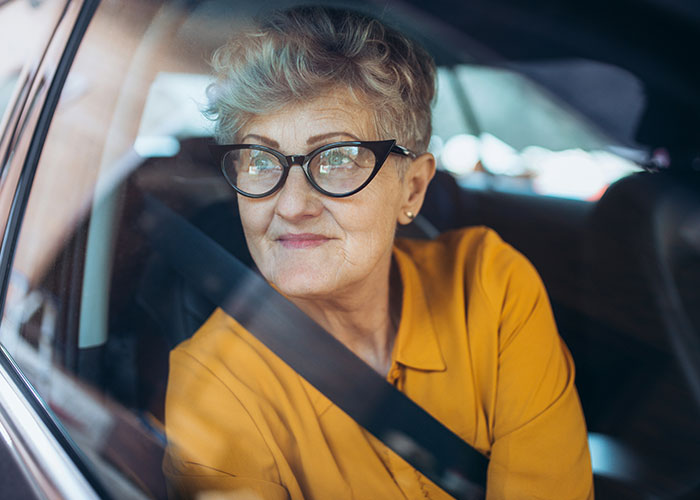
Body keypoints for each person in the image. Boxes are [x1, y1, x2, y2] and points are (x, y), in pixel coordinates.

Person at [163, 6, 593, 499]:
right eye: (260, 160)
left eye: (338, 158)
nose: (292, 205)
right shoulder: (214, 385)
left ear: (412, 188)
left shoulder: (488, 286)